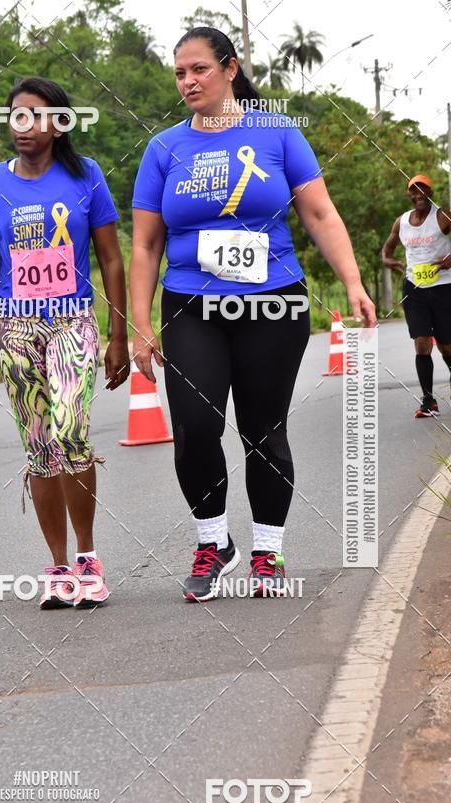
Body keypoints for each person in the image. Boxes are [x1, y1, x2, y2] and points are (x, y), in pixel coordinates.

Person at [130, 27, 376, 602]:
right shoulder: (163, 149)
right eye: (180, 73)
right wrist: (139, 323)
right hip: (192, 303)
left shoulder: (277, 132)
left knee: (263, 431)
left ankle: (268, 551)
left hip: (273, 301)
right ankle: (213, 543)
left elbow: (319, 213)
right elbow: (145, 244)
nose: (188, 82)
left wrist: (354, 282)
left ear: (230, 69)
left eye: (199, 70)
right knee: (194, 426)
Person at [0, 77, 129, 609]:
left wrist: (118, 334)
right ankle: (58, 567)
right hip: (16, 329)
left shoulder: (86, 179)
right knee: (39, 447)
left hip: (71, 323)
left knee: (72, 432)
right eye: (15, 117)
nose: (23, 127)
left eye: (35, 117)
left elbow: (110, 257)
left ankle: (87, 558)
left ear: (59, 124)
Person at [382, 173, 451, 418]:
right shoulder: (401, 222)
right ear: (409, 194)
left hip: (444, 287)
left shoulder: (442, 216)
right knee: (422, 344)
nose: (419, 194)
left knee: (446, 346)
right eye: (414, 190)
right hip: (414, 288)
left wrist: (448, 261)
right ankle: (428, 401)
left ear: (430, 193)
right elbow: (388, 247)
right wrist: (387, 260)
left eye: (423, 189)